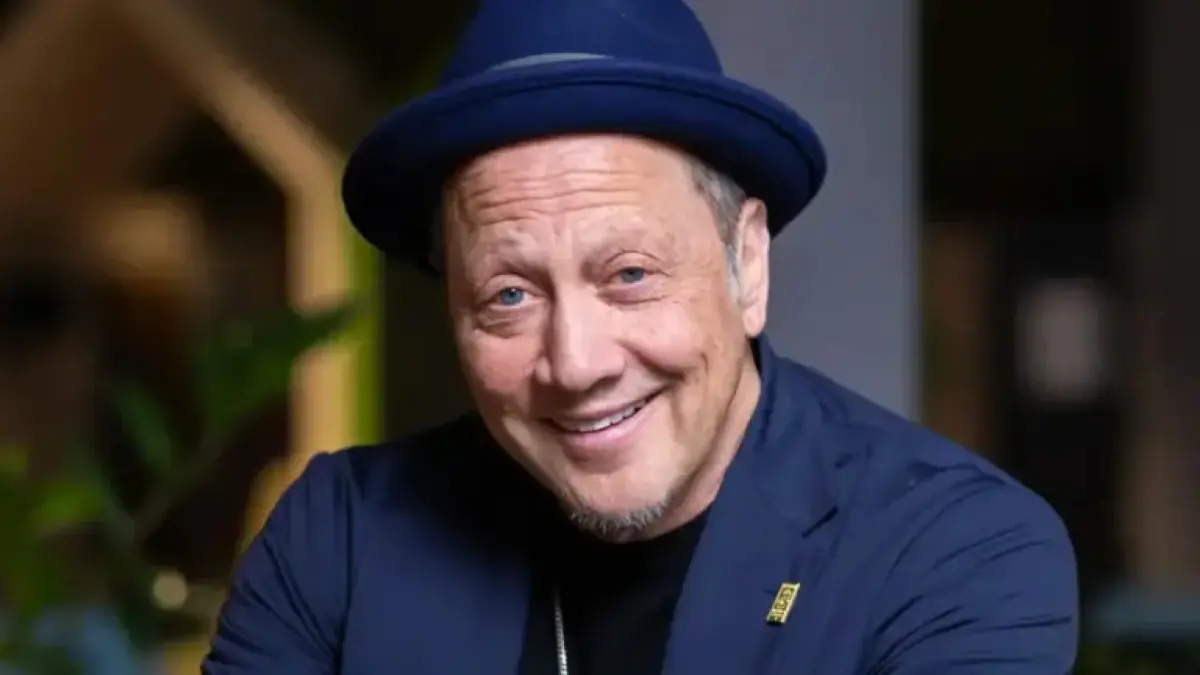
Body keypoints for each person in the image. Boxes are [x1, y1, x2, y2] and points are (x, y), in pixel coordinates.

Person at [202, 0, 1079, 672]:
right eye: (509, 294)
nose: (576, 361)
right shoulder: (339, 541)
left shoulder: (955, 552)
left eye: (629, 274)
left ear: (747, 263)